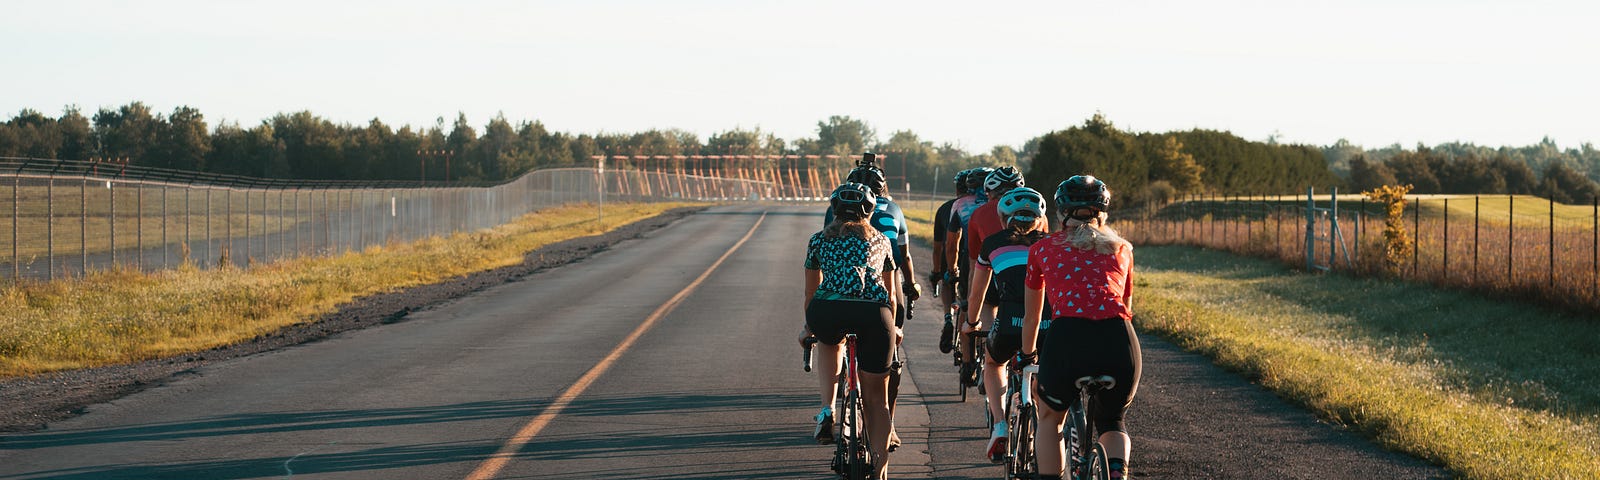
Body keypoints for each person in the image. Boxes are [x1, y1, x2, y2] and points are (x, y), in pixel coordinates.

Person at [1016, 175, 1139, 480]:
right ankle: (1115, 474)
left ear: (1060, 213)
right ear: (1102, 212)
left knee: (1050, 418)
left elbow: (1032, 317)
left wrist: (1027, 355)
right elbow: (1126, 304)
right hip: (1118, 340)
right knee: (1113, 422)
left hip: (1068, 338)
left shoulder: (1042, 249)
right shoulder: (1122, 249)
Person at [802, 182, 899, 479]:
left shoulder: (818, 240)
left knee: (830, 343)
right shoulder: (881, 241)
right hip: (874, 313)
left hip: (828, 311)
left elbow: (811, 293)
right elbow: (892, 295)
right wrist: (892, 328)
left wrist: (808, 328)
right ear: (869, 211)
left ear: (834, 210)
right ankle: (881, 470)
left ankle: (827, 409)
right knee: (877, 400)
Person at [824, 160, 918, 451]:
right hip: (885, 288)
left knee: (834, 338)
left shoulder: (836, 208)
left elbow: (830, 250)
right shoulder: (894, 209)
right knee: (891, 357)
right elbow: (904, 255)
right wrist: (912, 284)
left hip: (841, 294)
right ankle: (889, 428)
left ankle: (832, 400)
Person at [962, 186, 1050, 463]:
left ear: (1003, 218)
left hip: (1010, 322)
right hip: (1046, 324)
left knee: (993, 363)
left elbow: (977, 293)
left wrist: (971, 323)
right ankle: (1038, 423)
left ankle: (999, 423)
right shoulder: (1051, 245)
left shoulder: (993, 244)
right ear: (1040, 218)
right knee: (1040, 373)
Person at [961, 166, 1025, 386]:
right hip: (1031, 287)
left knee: (988, 320)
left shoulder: (979, 213)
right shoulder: (1035, 212)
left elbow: (974, 264)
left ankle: (983, 358)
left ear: (990, 192)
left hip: (992, 279)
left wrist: (971, 316)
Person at [945, 166, 991, 373]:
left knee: (967, 305)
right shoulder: (996, 205)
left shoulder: (960, 204)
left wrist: (952, 268)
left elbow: (952, 242)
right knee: (991, 304)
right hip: (997, 258)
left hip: (970, 259)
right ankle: (989, 348)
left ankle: (967, 361)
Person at [930, 169, 971, 355]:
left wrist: (936, 271)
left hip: (950, 254)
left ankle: (948, 317)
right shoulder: (983, 206)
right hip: (973, 257)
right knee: (967, 298)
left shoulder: (946, 208)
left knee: (948, 281)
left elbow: (938, 246)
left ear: (957, 189)